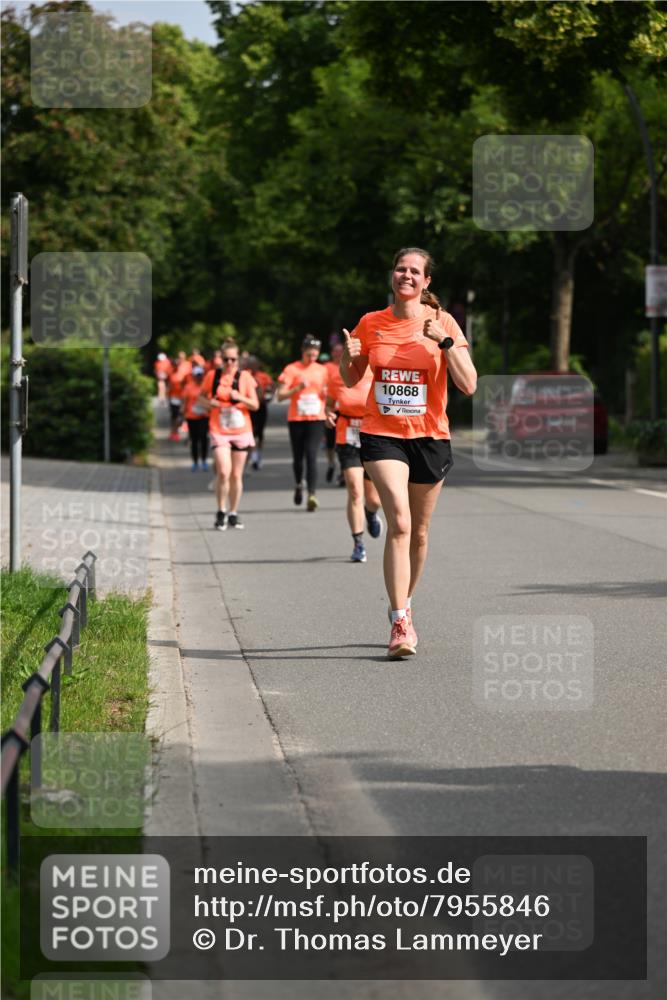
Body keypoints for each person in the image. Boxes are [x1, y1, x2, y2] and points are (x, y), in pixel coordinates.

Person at [340, 247, 477, 658]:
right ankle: (400, 621)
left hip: (430, 436)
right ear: (392, 275)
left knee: (418, 533)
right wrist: (348, 359)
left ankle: (404, 603)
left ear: (426, 281)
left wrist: (447, 342)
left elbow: (469, 385)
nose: (407, 276)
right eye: (401, 269)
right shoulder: (371, 323)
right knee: (399, 520)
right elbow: (352, 379)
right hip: (383, 433)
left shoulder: (443, 323)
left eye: (415, 271)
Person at [326, 364, 383, 563]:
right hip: (347, 437)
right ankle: (358, 543)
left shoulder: (377, 370)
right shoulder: (337, 375)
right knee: (355, 490)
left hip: (373, 436)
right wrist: (329, 414)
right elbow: (330, 404)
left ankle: (371, 513)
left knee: (374, 499)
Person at [199, 339, 259, 530]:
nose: (230, 363)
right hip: (219, 430)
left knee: (236, 475)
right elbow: (200, 397)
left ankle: (233, 512)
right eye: (226, 360)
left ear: (238, 360)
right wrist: (210, 404)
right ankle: (220, 510)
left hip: (241, 430)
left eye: (233, 360)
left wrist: (238, 397)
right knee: (223, 471)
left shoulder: (246, 378)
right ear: (221, 359)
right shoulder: (212, 376)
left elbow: (255, 405)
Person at [276, 336, 329, 511]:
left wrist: (327, 394)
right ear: (303, 351)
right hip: (297, 418)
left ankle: (312, 494)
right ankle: (299, 483)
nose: (312, 357)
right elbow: (280, 396)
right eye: (309, 354)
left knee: (311, 454)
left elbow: (330, 394)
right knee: (298, 457)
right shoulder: (292, 369)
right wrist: (298, 388)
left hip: (316, 418)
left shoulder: (323, 370)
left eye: (315, 354)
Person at [247, 356, 274, 470]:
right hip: (249, 407)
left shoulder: (264, 376)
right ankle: (252, 457)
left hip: (261, 406)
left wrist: (269, 396)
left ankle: (258, 456)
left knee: (260, 433)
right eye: (251, 364)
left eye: (255, 364)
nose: (253, 367)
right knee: (251, 433)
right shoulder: (245, 376)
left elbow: (272, 387)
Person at [182, 365, 209, 470]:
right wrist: (182, 414)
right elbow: (184, 401)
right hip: (191, 417)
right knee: (194, 440)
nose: (199, 377)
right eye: (197, 375)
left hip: (204, 416)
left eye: (200, 375)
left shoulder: (206, 386)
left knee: (203, 438)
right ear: (193, 376)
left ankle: (204, 460)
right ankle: (195, 462)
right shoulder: (188, 387)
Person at [324, 342, 344, 484]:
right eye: (335, 351)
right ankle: (332, 463)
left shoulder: (350, 366)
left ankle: (344, 471)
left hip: (345, 410)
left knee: (344, 442)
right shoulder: (326, 368)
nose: (338, 353)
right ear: (332, 353)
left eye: (340, 351)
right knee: (330, 443)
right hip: (330, 409)